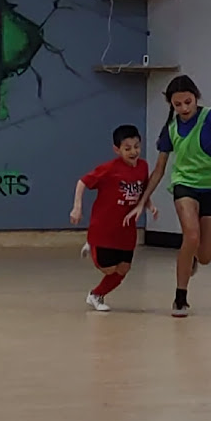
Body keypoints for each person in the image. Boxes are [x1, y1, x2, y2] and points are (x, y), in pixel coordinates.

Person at [123, 75, 211, 317]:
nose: (184, 108)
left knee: (206, 255)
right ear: (171, 104)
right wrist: (142, 202)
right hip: (185, 184)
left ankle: (193, 258)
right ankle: (180, 297)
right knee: (191, 235)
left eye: (188, 102)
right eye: (178, 104)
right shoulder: (170, 130)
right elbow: (159, 170)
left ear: (196, 98)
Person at [70, 124, 158, 311]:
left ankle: (96, 295)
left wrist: (149, 205)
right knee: (109, 268)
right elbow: (82, 182)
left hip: (127, 229)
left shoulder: (143, 166)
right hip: (104, 228)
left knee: (123, 268)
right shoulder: (109, 169)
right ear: (117, 150)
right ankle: (92, 244)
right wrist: (77, 207)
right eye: (127, 148)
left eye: (136, 147)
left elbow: (142, 190)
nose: (133, 152)